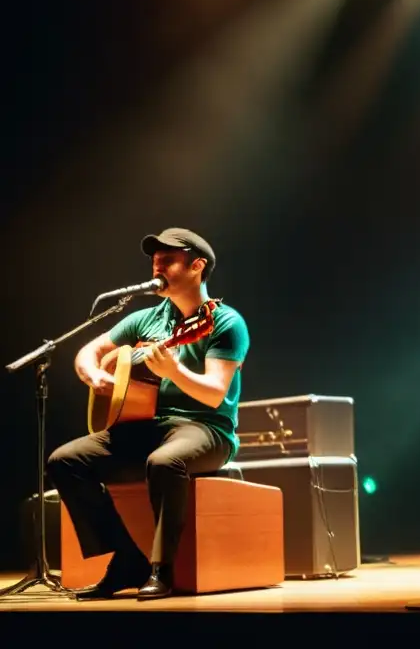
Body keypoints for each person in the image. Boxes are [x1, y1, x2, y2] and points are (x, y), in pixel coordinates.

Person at [47, 228, 250, 601]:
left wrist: (173, 371)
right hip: (146, 425)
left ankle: (162, 569)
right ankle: (127, 558)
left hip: (206, 429)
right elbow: (88, 351)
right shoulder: (145, 319)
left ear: (197, 266)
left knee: (163, 462)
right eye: (155, 260)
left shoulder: (224, 322)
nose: (157, 266)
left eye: (168, 260)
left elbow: (214, 393)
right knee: (64, 461)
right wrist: (94, 373)